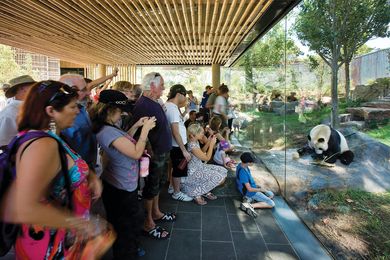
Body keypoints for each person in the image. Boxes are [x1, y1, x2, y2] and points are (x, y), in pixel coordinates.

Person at [0, 80, 109, 259]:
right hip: (48, 244)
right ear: (51, 111)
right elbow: (22, 208)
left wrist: (89, 175)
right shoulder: (43, 145)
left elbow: (63, 164)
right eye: (73, 107)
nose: (78, 111)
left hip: (58, 238)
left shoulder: (48, 136)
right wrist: (81, 224)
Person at [89, 89, 156, 258]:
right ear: (110, 110)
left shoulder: (108, 128)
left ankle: (129, 250)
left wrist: (136, 126)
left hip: (119, 182)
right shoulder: (107, 131)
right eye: (120, 111)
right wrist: (146, 130)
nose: (121, 115)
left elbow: (122, 142)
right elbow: (135, 152)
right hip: (121, 188)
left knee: (126, 224)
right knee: (126, 227)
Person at [131, 72, 173, 239]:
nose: (163, 88)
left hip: (161, 151)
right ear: (153, 86)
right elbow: (141, 134)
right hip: (154, 154)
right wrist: (152, 154)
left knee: (157, 185)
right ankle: (148, 223)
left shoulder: (153, 102)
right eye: (161, 85)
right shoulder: (144, 105)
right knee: (151, 187)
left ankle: (155, 212)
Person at [60, 74, 98, 172]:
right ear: (71, 91)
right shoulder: (61, 117)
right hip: (77, 173)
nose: (89, 93)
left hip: (88, 167)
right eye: (84, 89)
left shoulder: (81, 108)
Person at [183, 124, 227, 205]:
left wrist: (209, 141)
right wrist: (211, 145)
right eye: (201, 133)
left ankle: (204, 190)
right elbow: (206, 158)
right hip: (194, 171)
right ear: (193, 135)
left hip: (199, 166)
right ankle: (196, 192)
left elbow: (202, 151)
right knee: (220, 178)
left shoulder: (195, 141)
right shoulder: (192, 145)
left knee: (223, 171)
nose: (203, 135)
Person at [165, 84, 193, 202]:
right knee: (178, 169)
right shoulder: (172, 108)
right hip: (177, 145)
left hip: (176, 144)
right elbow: (176, 131)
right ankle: (177, 193)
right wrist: (184, 150)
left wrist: (185, 111)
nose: (185, 98)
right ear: (179, 94)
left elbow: (177, 121)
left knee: (175, 167)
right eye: (184, 95)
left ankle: (172, 186)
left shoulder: (171, 106)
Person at [0, 75, 36, 149]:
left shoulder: (31, 107)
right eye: (33, 87)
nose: (36, 89)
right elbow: (4, 143)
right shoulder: (9, 113)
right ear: (22, 88)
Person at [236, 152, 275, 218]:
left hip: (247, 189)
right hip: (251, 192)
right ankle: (249, 205)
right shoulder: (243, 173)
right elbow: (249, 189)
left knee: (270, 194)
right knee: (271, 203)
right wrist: (261, 190)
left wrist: (257, 187)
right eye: (252, 162)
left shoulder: (241, 165)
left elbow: (246, 182)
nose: (253, 163)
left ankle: (249, 199)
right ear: (248, 163)